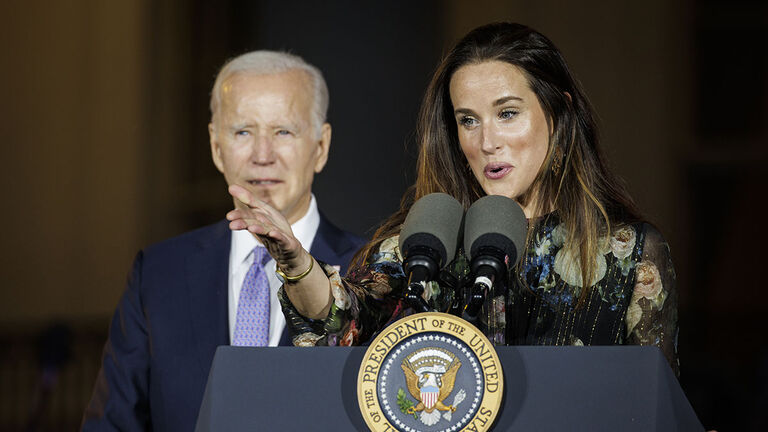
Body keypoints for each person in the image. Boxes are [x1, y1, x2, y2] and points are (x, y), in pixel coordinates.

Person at [227, 23, 679, 374]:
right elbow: (340, 321)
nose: (487, 142)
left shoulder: (630, 255)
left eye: (507, 114)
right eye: (468, 120)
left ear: (558, 115)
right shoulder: (425, 244)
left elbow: (655, 404)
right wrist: (295, 261)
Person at [82, 51, 366, 431]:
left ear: (320, 146)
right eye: (243, 132)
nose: (262, 156)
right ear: (216, 146)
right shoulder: (158, 274)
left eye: (283, 131)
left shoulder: (372, 271)